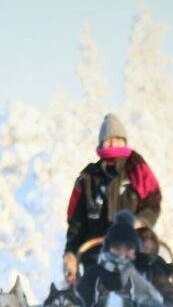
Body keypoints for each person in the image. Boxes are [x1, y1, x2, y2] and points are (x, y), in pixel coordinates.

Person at [63, 113, 162, 284]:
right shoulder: (88, 177)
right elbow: (76, 222)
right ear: (101, 143)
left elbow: (152, 202)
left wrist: (141, 222)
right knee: (89, 287)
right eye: (108, 139)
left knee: (157, 275)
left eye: (117, 139)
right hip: (95, 250)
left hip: (133, 247)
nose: (112, 143)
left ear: (124, 141)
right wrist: (70, 252)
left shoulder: (137, 170)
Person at [77, 211, 173, 307]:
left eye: (128, 247)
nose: (122, 253)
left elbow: (172, 297)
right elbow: (80, 305)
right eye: (117, 246)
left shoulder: (148, 270)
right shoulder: (94, 274)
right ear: (108, 248)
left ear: (135, 250)